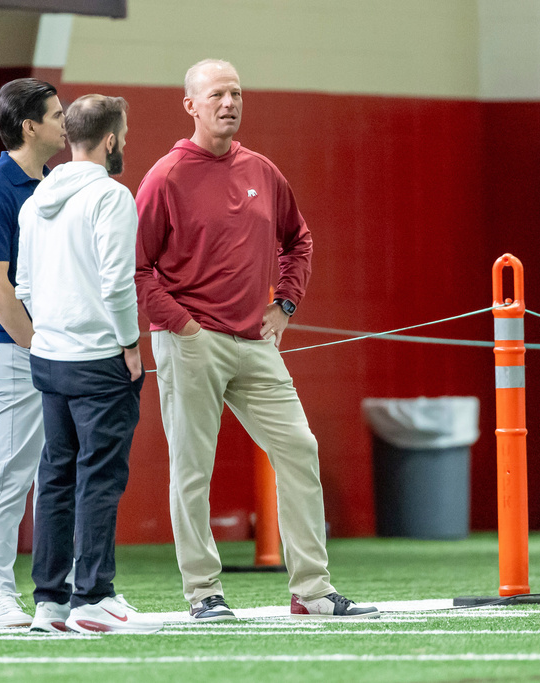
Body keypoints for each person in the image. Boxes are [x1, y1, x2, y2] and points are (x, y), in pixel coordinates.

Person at [135, 59, 380, 621]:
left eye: (237, 93)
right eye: (217, 94)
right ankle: (204, 593)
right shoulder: (165, 177)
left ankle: (312, 591)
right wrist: (183, 325)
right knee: (192, 468)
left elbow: (299, 240)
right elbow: (136, 267)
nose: (229, 102)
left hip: (256, 343)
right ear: (191, 106)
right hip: (190, 342)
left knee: (299, 449)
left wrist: (286, 304)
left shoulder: (263, 172)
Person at [16, 94, 161, 634]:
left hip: (49, 358)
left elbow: (23, 286)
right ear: (110, 140)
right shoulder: (111, 196)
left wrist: (51, 334)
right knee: (98, 478)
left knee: (56, 477)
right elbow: (118, 282)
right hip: (101, 359)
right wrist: (130, 344)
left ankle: (50, 602)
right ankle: (93, 597)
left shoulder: (35, 201)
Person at [0, 78, 66, 628]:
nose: (64, 122)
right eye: (55, 114)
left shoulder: (54, 187)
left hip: (63, 352)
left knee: (65, 471)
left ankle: (69, 591)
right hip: (19, 353)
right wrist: (39, 348)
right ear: (29, 127)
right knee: (14, 472)